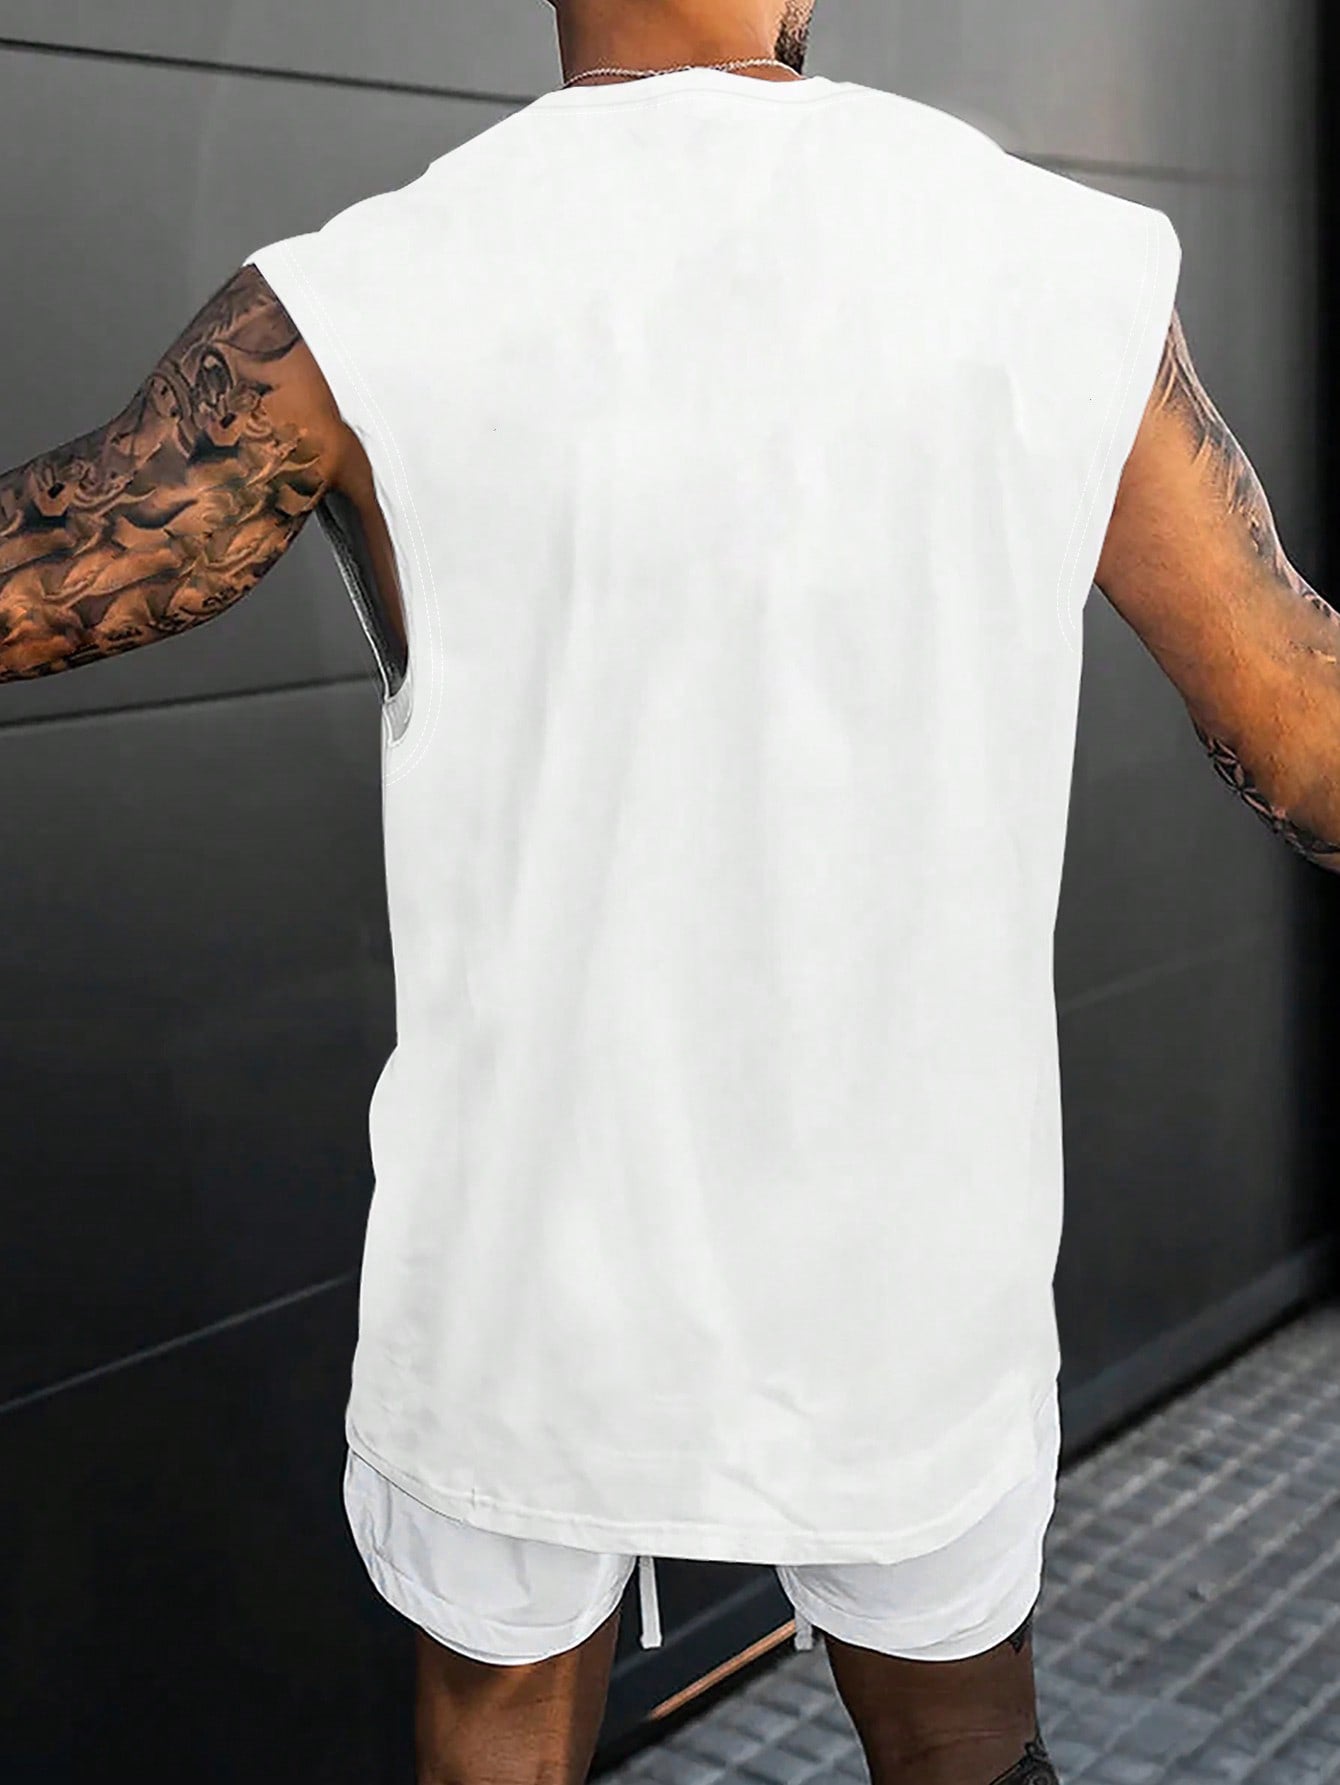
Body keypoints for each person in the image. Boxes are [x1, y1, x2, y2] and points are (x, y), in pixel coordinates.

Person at [3, 3, 1336, 1781]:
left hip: (527, 1274)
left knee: (497, 1730)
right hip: (907, 1271)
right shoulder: (1046, 263)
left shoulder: (362, 299)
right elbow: (1302, 730)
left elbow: (52, 567)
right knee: (963, 1739)